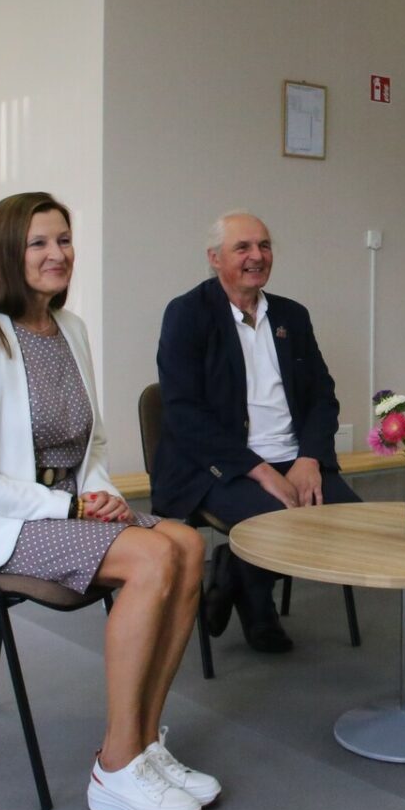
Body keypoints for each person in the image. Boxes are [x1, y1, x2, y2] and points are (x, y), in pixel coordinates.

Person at [0, 192, 217, 810]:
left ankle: (144, 745)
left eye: (64, 240)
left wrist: (98, 493)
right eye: (39, 243)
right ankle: (115, 766)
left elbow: (92, 442)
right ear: (7, 252)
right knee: (153, 558)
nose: (58, 254)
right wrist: (68, 504)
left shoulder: (69, 328)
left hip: (65, 506)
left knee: (188, 544)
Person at [152, 211, 359, 653]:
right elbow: (184, 413)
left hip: (294, 457)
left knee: (353, 524)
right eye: (242, 247)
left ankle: (234, 569)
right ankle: (258, 606)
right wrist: (261, 471)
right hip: (219, 466)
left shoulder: (292, 316)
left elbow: (322, 396)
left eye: (264, 245)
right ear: (214, 258)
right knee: (278, 523)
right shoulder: (187, 314)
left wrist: (309, 459)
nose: (257, 256)